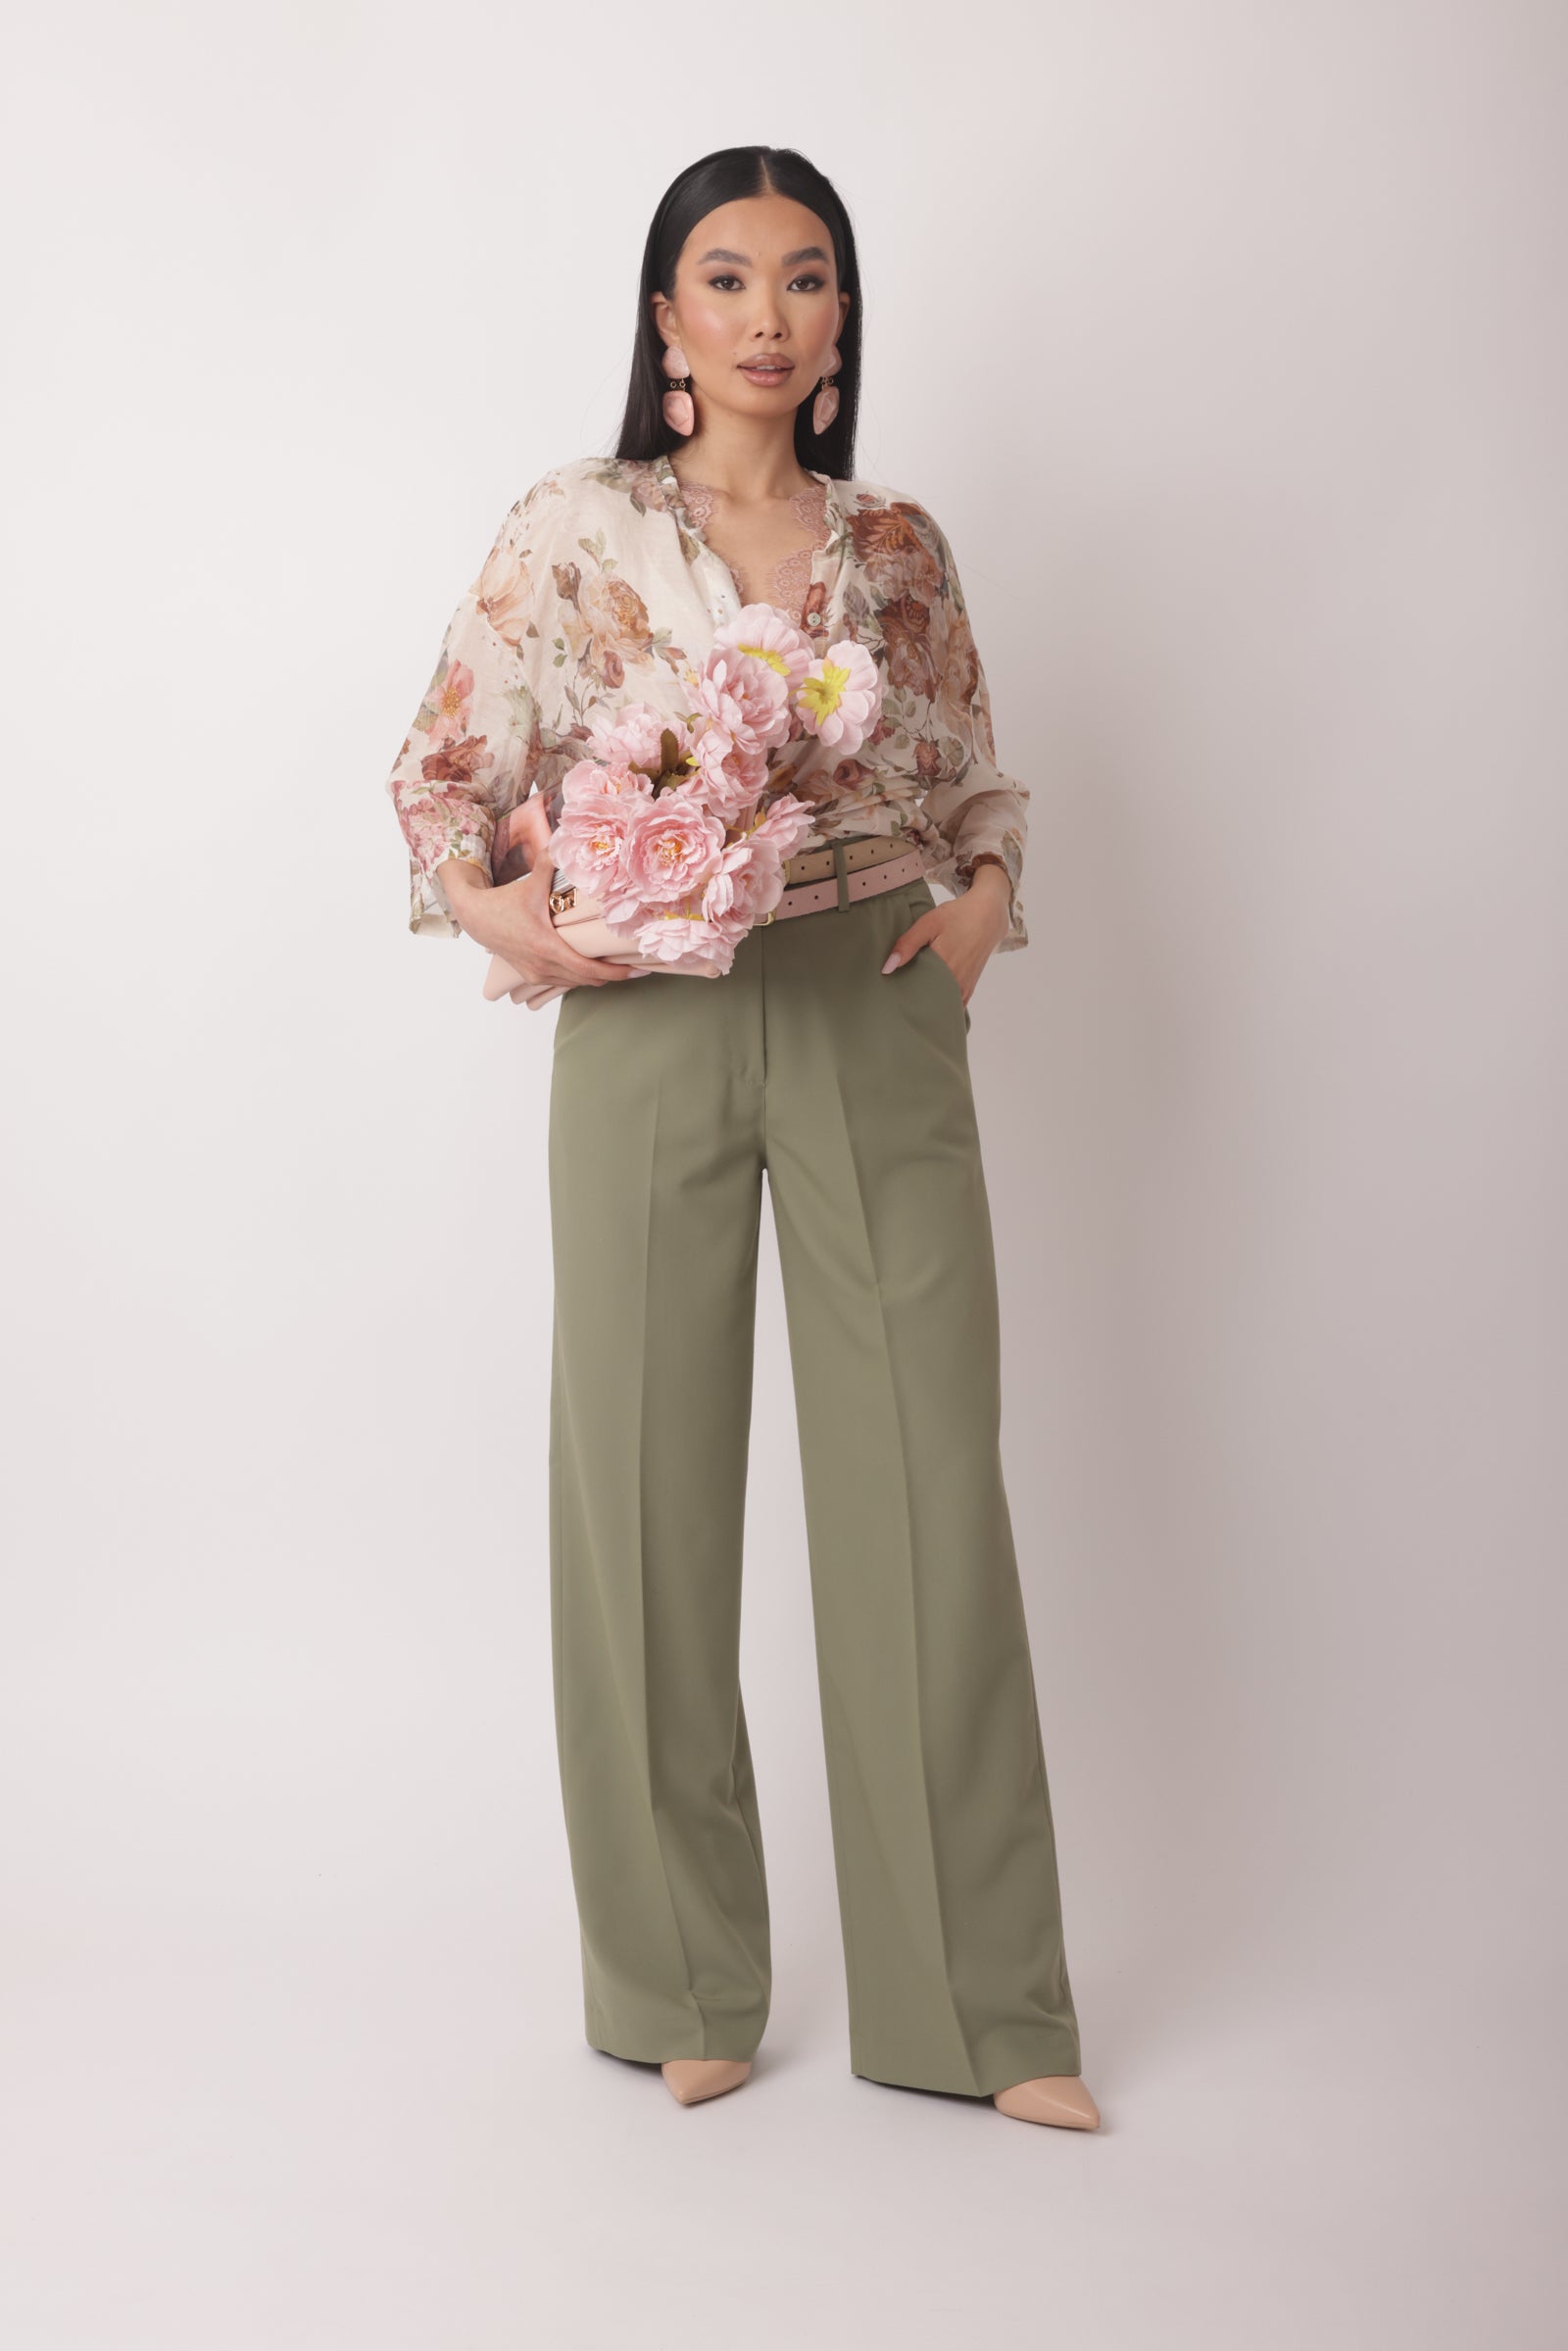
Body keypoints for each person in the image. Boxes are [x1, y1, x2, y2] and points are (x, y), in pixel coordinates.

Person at [383, 144, 1101, 2131]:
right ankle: (678, 1978)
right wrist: (512, 921)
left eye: (804, 275)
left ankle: (982, 2013)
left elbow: (975, 776)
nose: (767, 312)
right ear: (666, 318)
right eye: (727, 275)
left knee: (923, 1492)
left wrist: (978, 912)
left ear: (840, 316)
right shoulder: (574, 526)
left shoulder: (898, 550)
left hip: (872, 997)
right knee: (641, 1490)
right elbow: (441, 774)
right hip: (646, 1020)